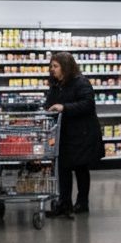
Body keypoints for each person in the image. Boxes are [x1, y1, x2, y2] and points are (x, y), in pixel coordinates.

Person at [44, 51, 104, 217]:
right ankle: (65, 204)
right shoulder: (56, 84)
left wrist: (64, 107)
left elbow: (88, 104)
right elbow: (50, 103)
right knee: (63, 169)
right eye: (51, 66)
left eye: (55, 66)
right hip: (64, 134)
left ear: (66, 67)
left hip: (82, 134)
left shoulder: (81, 83)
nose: (52, 69)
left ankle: (82, 203)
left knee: (80, 168)